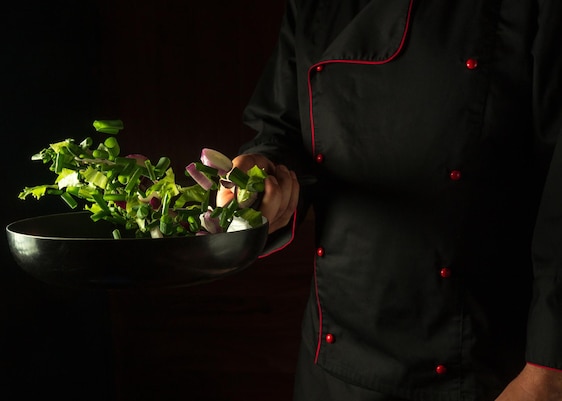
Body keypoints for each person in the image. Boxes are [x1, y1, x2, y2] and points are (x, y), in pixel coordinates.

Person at [217, 1, 562, 400]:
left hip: (487, 363)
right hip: (335, 355)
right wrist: (263, 174)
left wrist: (549, 371)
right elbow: (280, 127)